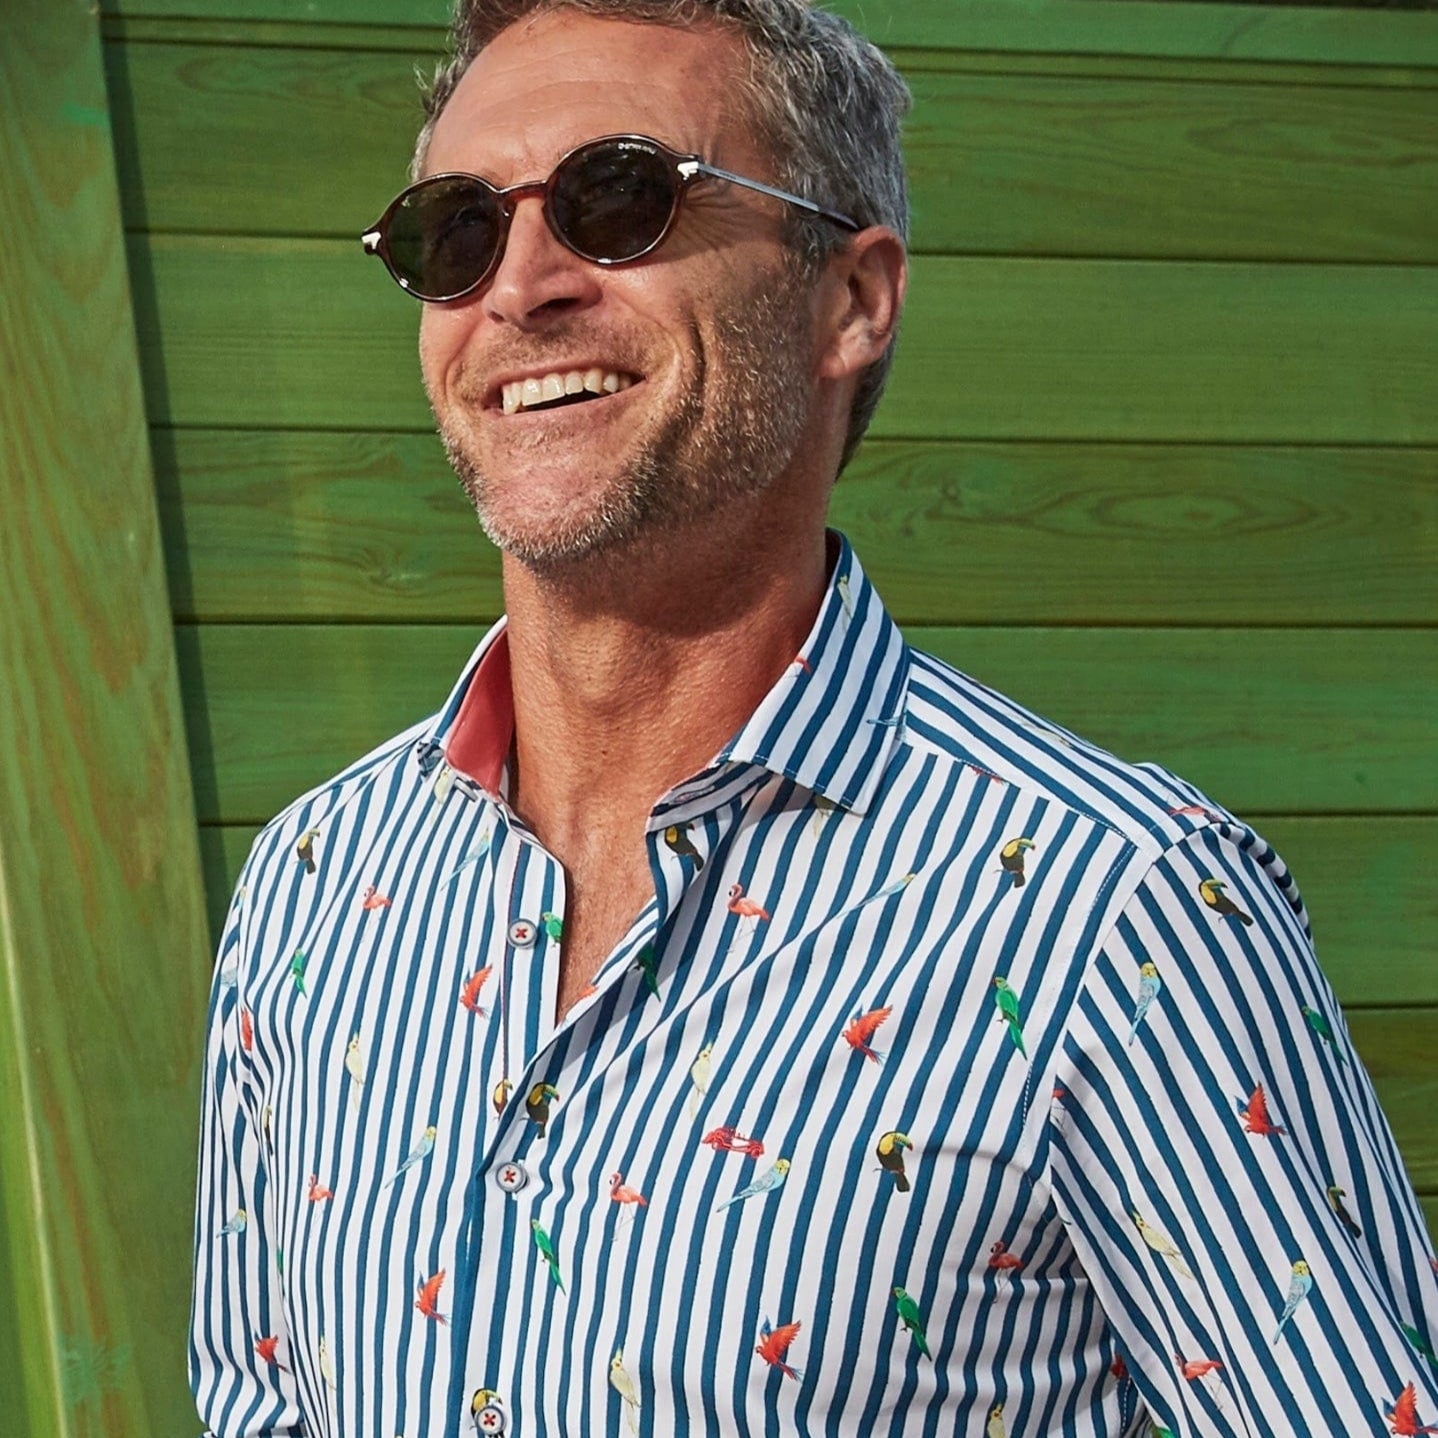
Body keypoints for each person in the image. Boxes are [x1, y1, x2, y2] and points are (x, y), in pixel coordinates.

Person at [189, 1, 1438, 1434]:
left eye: (620, 199)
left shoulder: (1118, 911)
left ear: (850, 299)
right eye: (453, 232)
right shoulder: (311, 888)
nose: (518, 286)